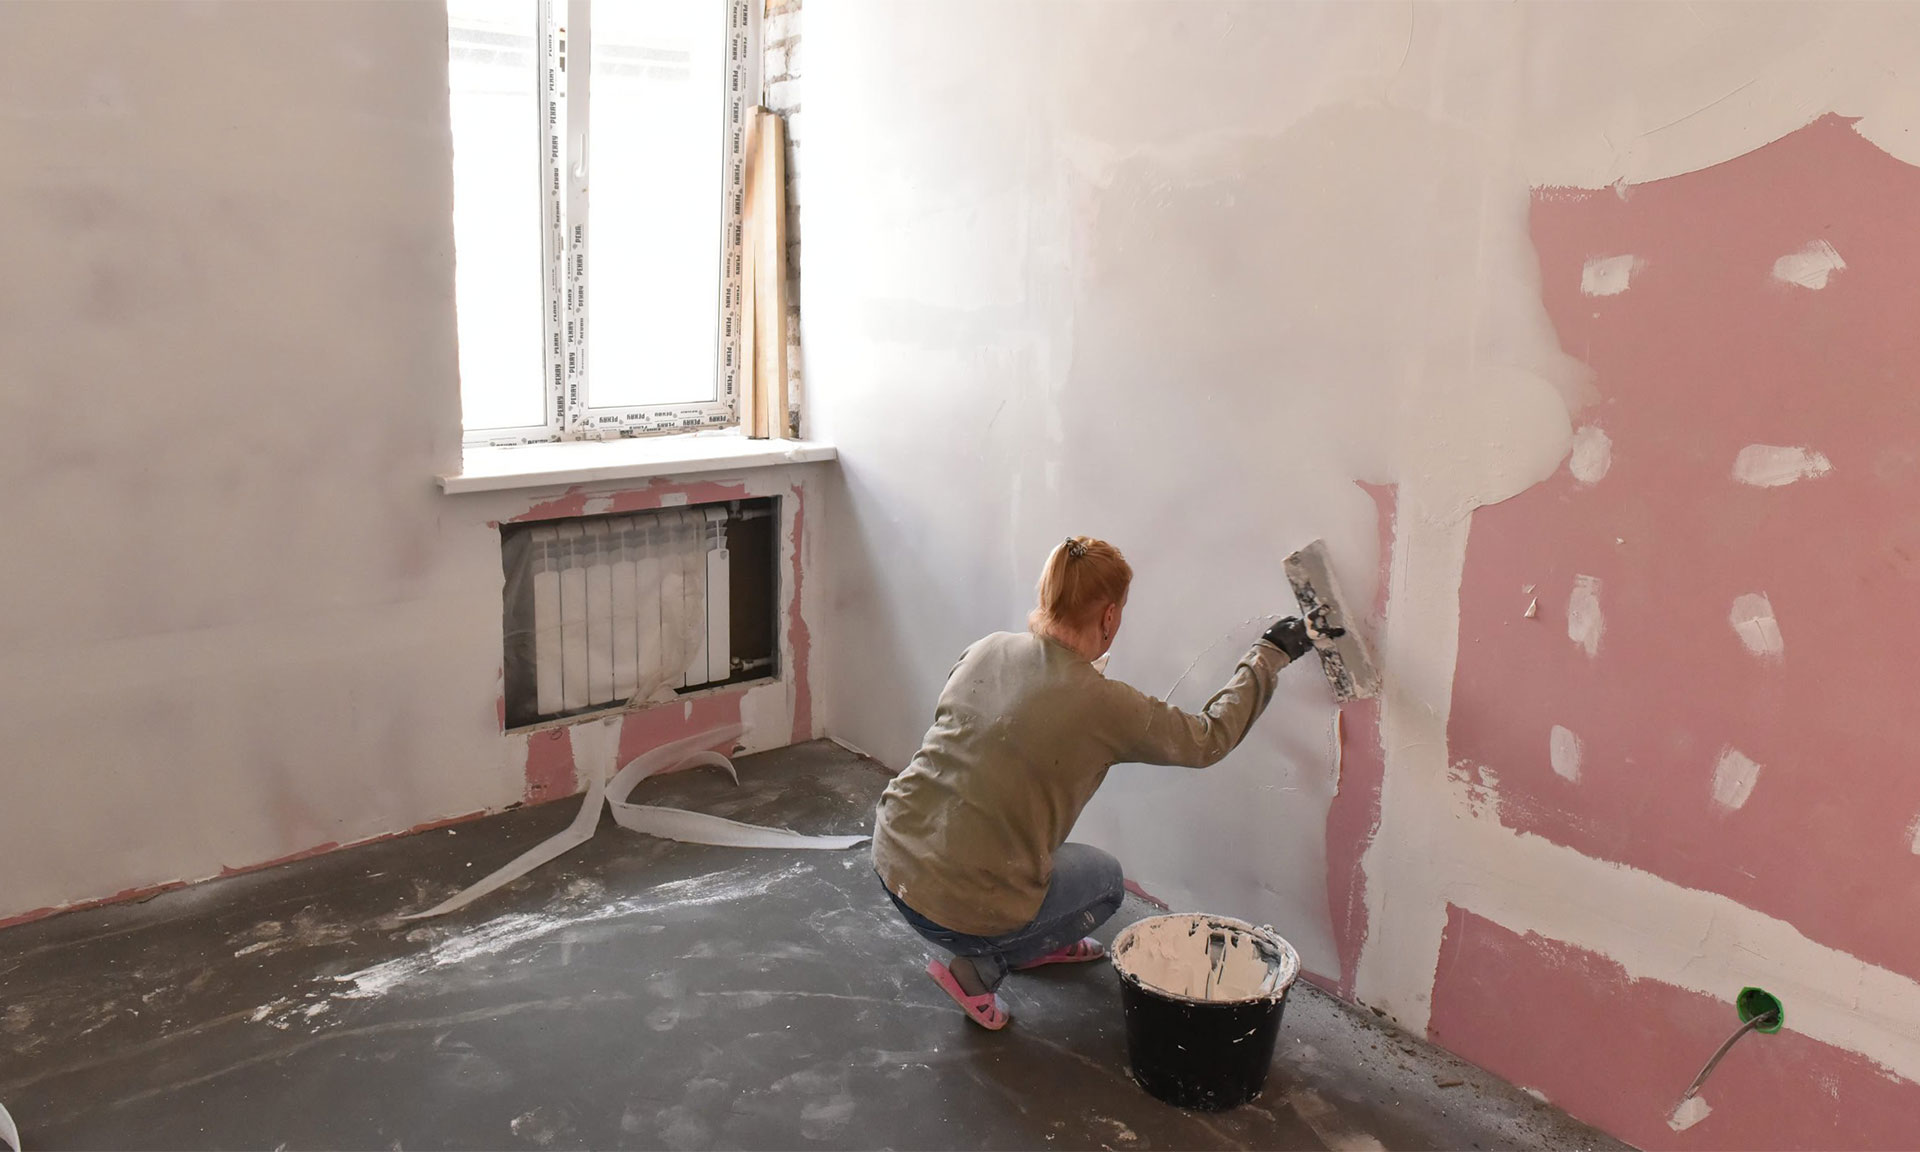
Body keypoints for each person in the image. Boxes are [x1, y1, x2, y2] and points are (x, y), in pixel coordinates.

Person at [870, 535, 1319, 1029]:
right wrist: (1268, 656)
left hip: (893, 856)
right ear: (1108, 616)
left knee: (1041, 853)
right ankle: (982, 968)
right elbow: (1207, 739)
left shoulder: (988, 648)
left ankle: (1036, 939)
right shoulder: (1105, 704)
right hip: (958, 910)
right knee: (1105, 884)